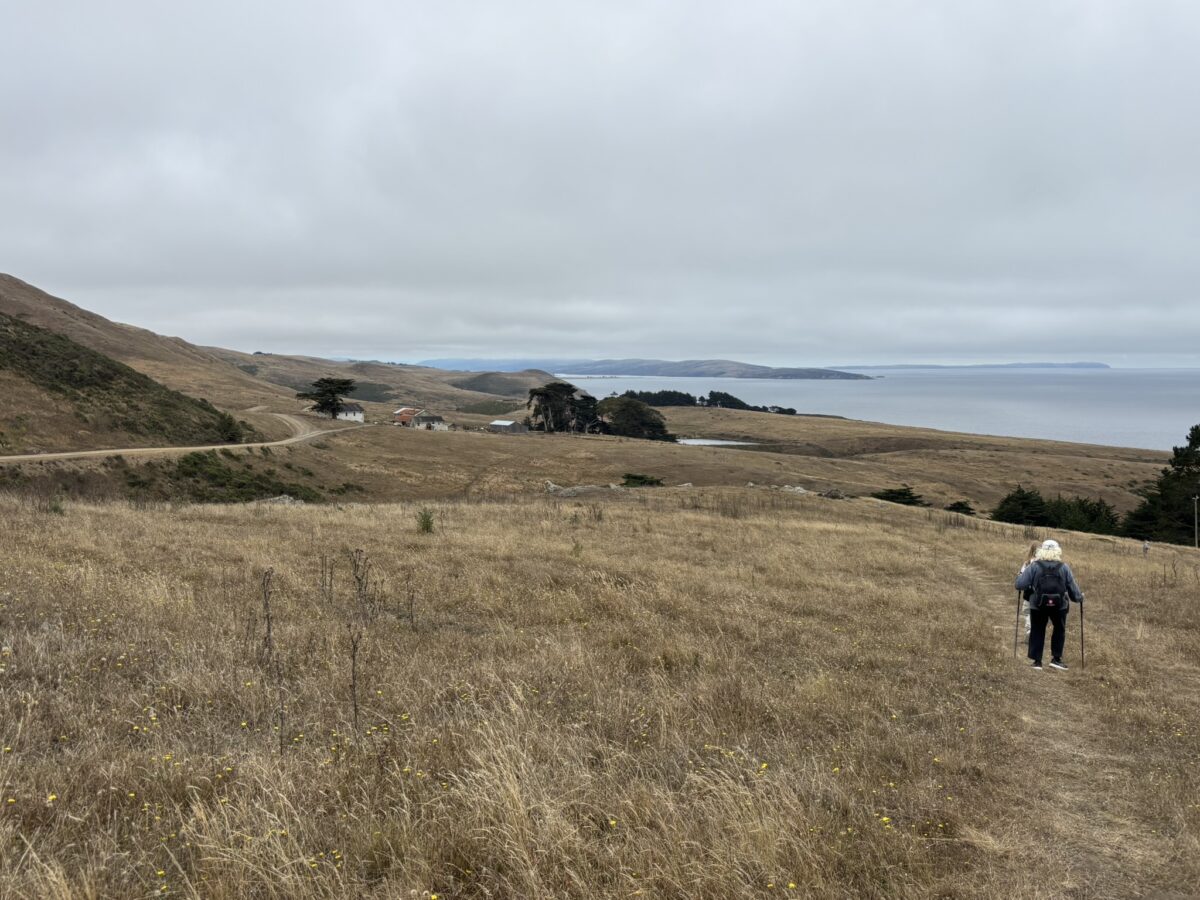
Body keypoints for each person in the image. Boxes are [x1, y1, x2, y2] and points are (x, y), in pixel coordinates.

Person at [1014, 539, 1084, 670]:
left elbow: (1020, 585)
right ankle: (1056, 659)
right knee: (1059, 629)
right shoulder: (1064, 567)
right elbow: (1072, 588)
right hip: (1060, 605)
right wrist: (1079, 598)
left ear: (1042, 551)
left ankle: (1037, 662)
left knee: (1037, 629)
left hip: (1037, 605)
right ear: (1057, 551)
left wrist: (1019, 578)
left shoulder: (1034, 566)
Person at [1017, 541, 1039, 636]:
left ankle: (1030, 630)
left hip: (1029, 593)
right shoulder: (1043, 564)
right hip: (1040, 593)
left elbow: (1021, 577)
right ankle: (1035, 630)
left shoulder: (1027, 563)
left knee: (1027, 611)